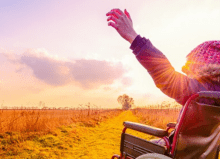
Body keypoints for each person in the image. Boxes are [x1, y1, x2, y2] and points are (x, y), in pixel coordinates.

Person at [106, 8, 220, 145]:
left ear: (203, 66)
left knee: (134, 145)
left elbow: (165, 76)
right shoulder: (215, 95)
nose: (188, 74)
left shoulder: (201, 93)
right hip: (200, 152)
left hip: (176, 150)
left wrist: (133, 37)